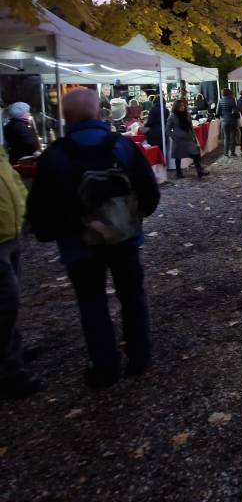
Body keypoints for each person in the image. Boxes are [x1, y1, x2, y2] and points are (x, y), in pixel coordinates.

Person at [26, 88, 160, 388]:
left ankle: (104, 366)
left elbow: (40, 206)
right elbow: (149, 191)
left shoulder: (55, 154)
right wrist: (133, 219)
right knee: (132, 297)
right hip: (124, 238)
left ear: (64, 117)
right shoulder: (121, 147)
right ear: (100, 113)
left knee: (92, 303)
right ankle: (139, 356)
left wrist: (52, 232)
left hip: (78, 245)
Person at [0, 148, 41, 399]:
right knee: (5, 303)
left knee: (10, 300)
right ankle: (8, 372)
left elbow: (11, 179)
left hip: (9, 231)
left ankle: (13, 349)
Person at [165, 99, 209, 179]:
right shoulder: (172, 117)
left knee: (195, 153)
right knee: (178, 157)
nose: (183, 107)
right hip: (178, 141)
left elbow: (190, 127)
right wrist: (175, 136)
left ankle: (199, 171)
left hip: (188, 139)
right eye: (181, 106)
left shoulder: (187, 115)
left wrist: (193, 137)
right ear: (176, 107)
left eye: (183, 105)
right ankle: (178, 173)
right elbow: (167, 131)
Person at [216, 88, 239, 157]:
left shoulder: (220, 101)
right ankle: (232, 152)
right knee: (233, 137)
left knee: (226, 137)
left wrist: (222, 116)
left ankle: (226, 153)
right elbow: (235, 111)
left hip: (224, 121)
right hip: (232, 121)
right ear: (229, 93)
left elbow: (217, 112)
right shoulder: (232, 100)